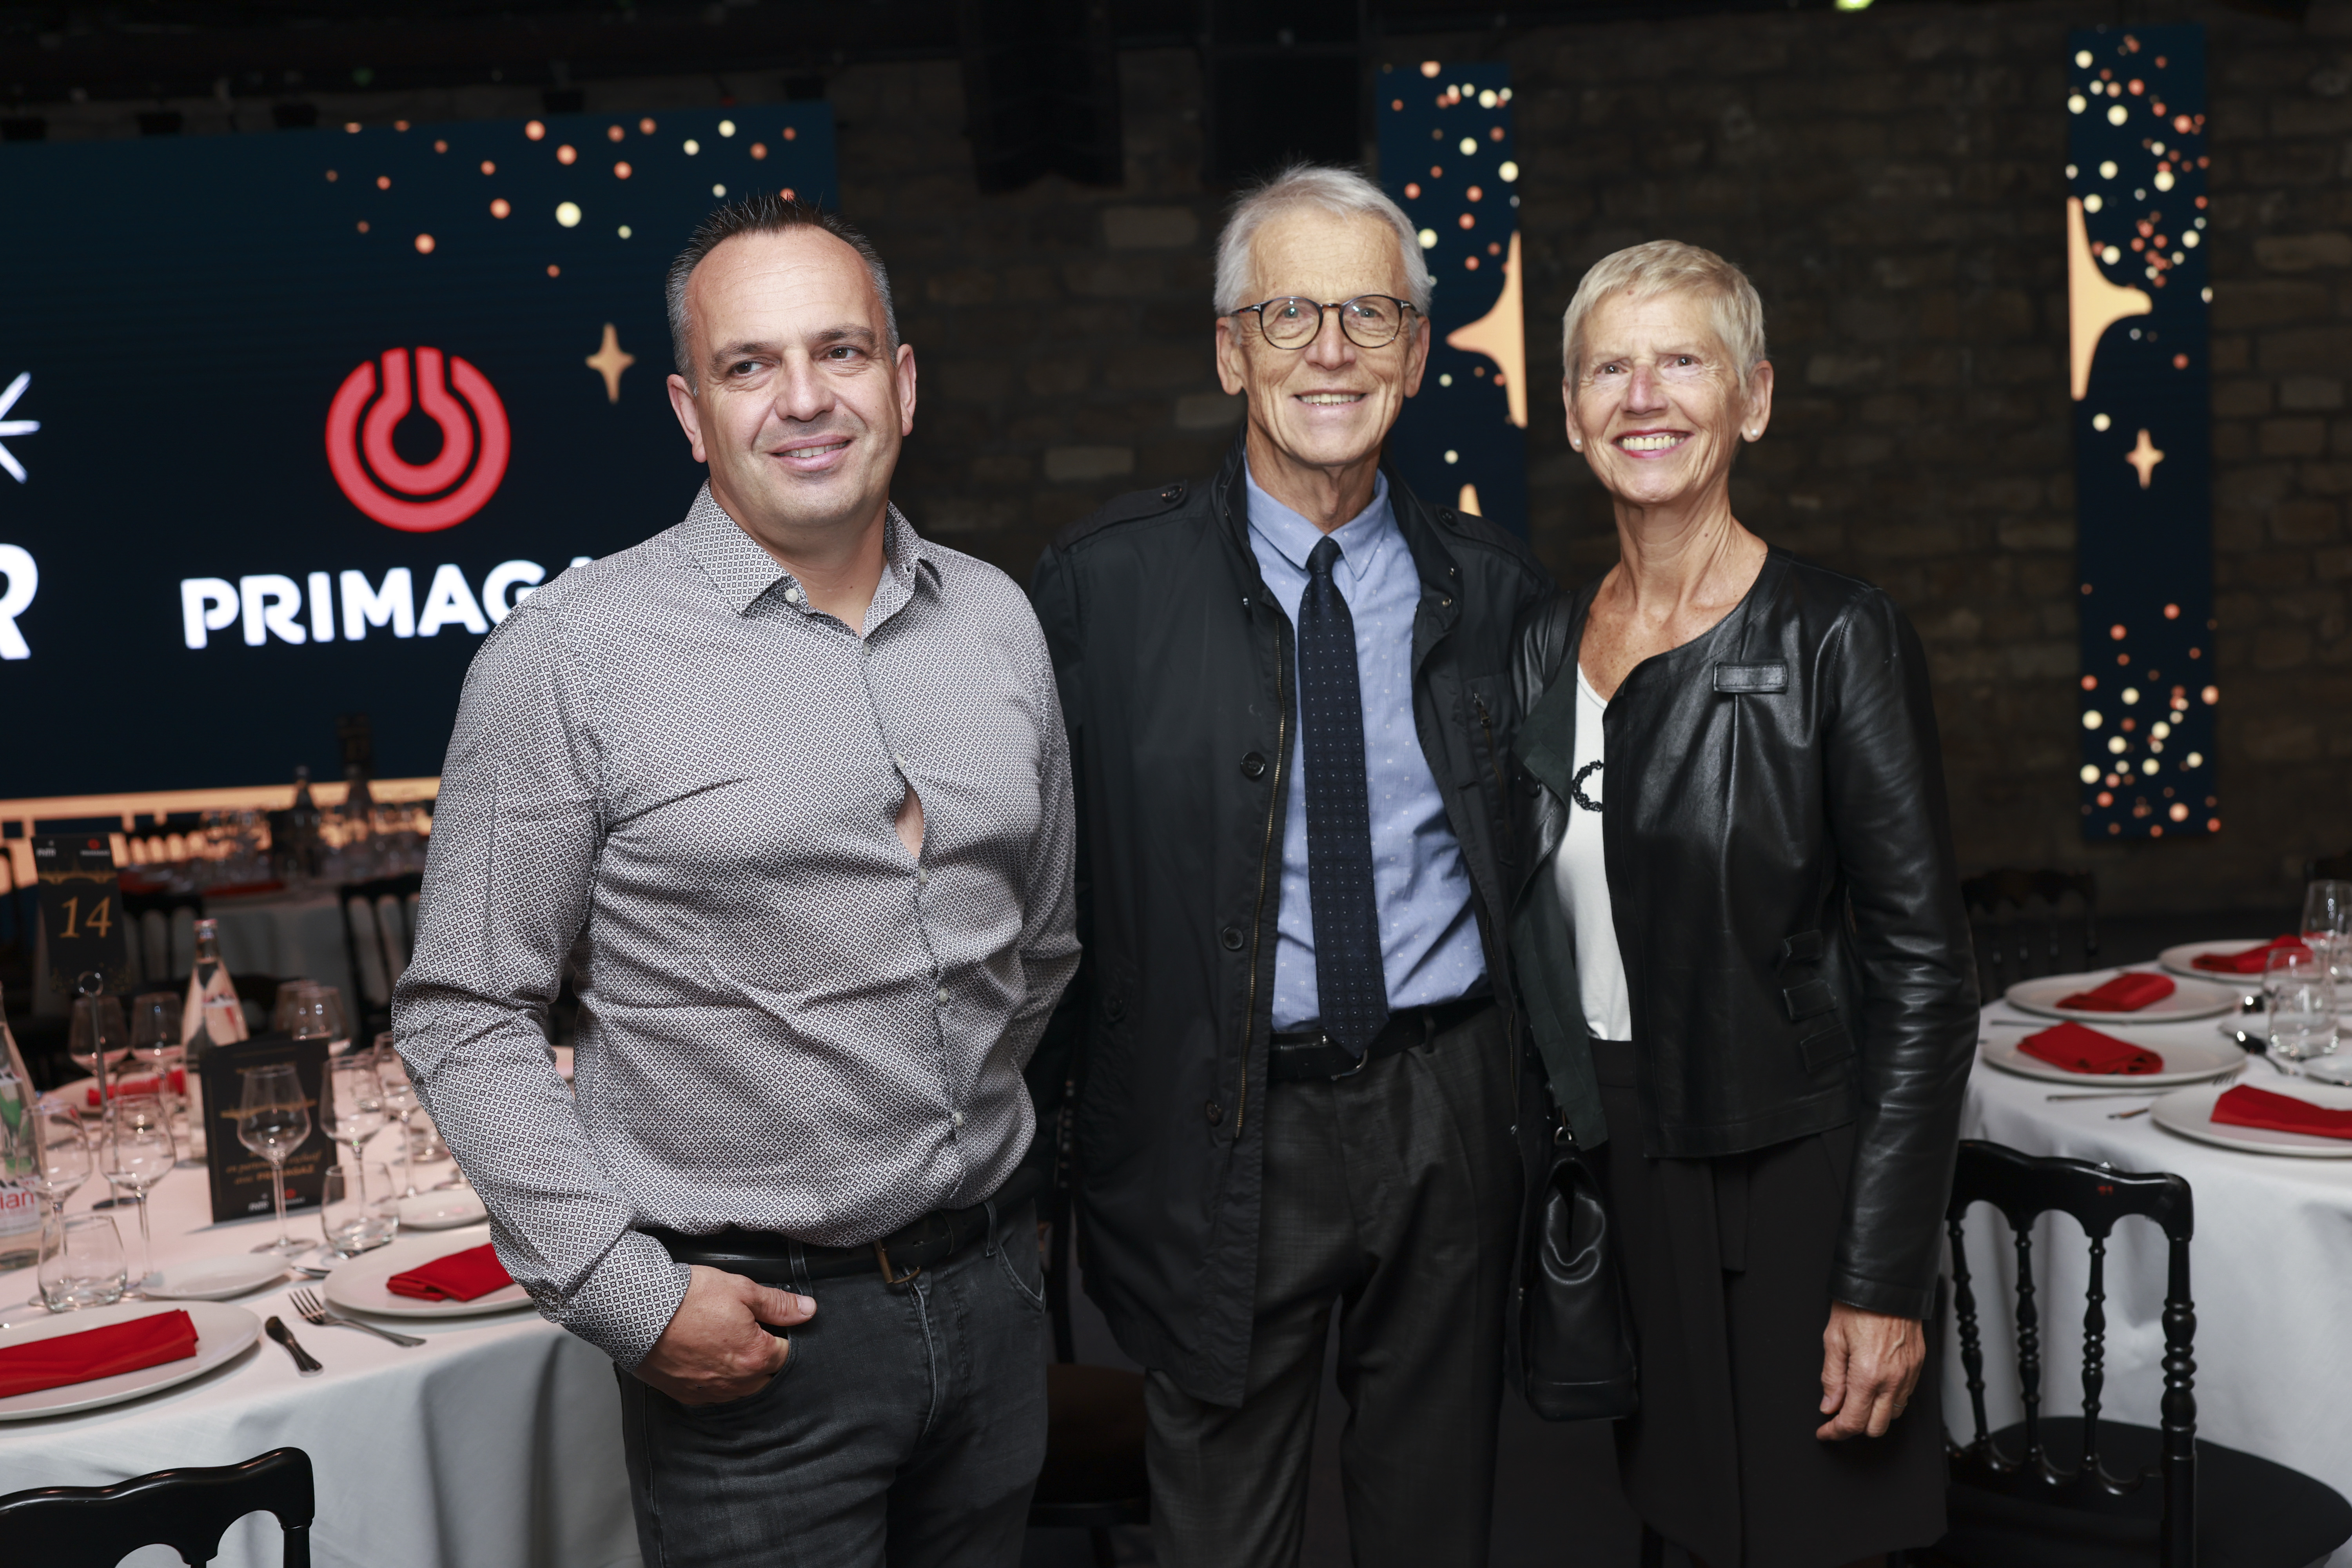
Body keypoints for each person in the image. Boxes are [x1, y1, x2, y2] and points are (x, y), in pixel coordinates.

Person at [392, 196, 1078, 1568]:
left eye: (841, 351)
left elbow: (1043, 944)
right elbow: (464, 1011)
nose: (805, 400)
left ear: (903, 381)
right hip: (752, 1349)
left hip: (997, 1304)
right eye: (750, 365)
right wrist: (626, 1296)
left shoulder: (1000, 621)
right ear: (690, 413)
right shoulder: (568, 657)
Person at [1029, 163, 1552, 1568]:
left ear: (1417, 355)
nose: (1332, 351)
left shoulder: (1499, 594)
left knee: (1435, 1526)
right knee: (1222, 1539)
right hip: (1221, 1117)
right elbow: (1047, 904)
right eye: (1288, 315)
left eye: (1370, 315)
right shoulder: (1099, 592)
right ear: (1229, 350)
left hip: (1447, 1106)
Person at [1507, 238, 1977, 1568]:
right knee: (1674, 1533)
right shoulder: (1541, 645)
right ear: (1570, 410)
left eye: (1683, 362)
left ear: (1753, 398)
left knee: (1817, 1540)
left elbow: (1929, 980)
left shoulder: (1838, 638)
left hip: (1791, 1170)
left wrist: (1881, 1277)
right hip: (1617, 1163)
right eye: (1610, 368)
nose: (1643, 397)